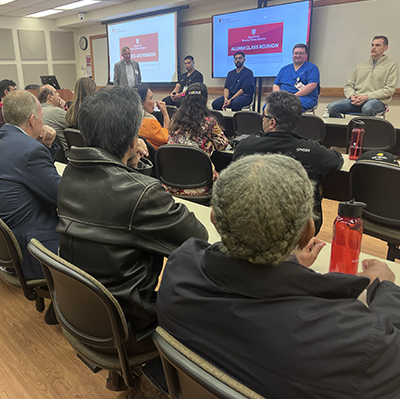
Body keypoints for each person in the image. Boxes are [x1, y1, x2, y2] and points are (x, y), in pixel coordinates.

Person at [157, 153, 400, 399]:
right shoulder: (357, 341)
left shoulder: (180, 265)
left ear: (214, 221)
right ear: (308, 232)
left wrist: (292, 266)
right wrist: (386, 288)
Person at [56, 87, 208, 356]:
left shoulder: (70, 174)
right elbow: (197, 235)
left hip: (85, 313)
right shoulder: (143, 194)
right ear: (130, 140)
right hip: (132, 323)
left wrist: (131, 162)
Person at [233, 91, 343, 234]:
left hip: (254, 221)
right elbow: (337, 160)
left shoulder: (245, 147)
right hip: (299, 227)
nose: (262, 120)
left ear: (272, 122)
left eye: (264, 116)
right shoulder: (311, 150)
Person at [0, 90, 60, 280]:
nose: (43, 123)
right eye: (41, 118)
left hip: (7, 245)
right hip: (32, 248)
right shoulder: (31, 151)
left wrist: (46, 146)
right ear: (33, 120)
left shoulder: (7, 140)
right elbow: (60, 195)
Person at [167, 82, 229, 197]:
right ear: (206, 100)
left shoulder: (174, 120)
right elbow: (222, 145)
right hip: (200, 184)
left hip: (172, 183)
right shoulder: (209, 122)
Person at [327, 35, 399, 118]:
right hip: (357, 100)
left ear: (385, 48)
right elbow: (349, 85)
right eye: (372, 45)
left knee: (367, 108)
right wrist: (352, 96)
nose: (373, 48)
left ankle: (367, 131)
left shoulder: (391, 66)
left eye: (377, 45)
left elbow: (389, 89)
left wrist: (367, 97)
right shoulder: (360, 65)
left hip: (377, 101)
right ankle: (345, 131)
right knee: (332, 107)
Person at [273, 43, 320, 112]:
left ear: (306, 55)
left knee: (290, 106)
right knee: (268, 107)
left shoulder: (312, 68)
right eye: (296, 53)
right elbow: (276, 84)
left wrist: (293, 97)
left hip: (304, 98)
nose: (298, 55)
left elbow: (312, 85)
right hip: (284, 98)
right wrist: (279, 97)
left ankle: (287, 123)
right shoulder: (284, 69)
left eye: (301, 53)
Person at [136, 83, 169, 150]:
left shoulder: (130, 120)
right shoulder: (150, 123)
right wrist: (165, 114)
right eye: (151, 98)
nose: (154, 101)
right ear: (141, 103)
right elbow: (168, 139)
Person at [38, 84, 68, 155]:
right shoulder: (57, 112)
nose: (59, 94)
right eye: (56, 92)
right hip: (63, 155)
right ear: (50, 97)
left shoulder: (35, 111)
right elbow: (75, 124)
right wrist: (63, 109)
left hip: (44, 153)